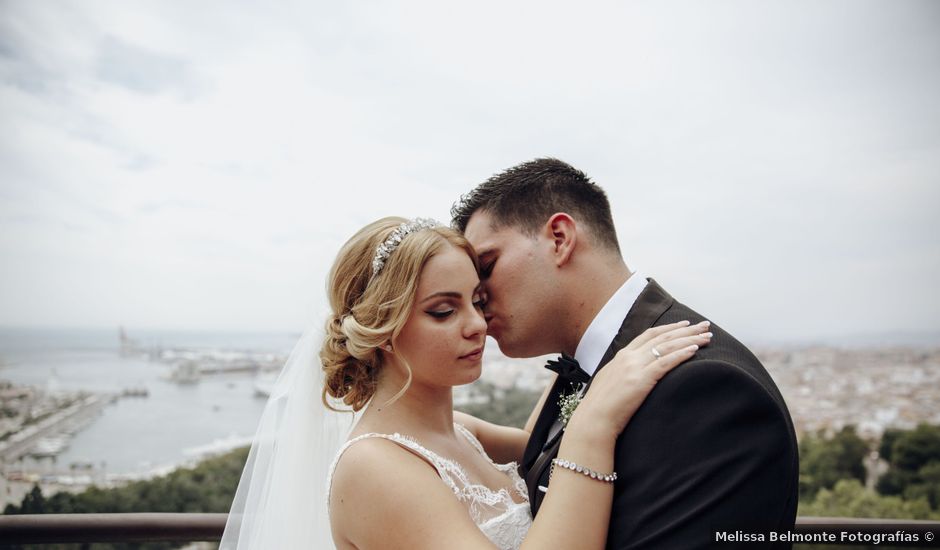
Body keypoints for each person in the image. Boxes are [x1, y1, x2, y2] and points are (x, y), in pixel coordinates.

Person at [220, 215, 711, 550]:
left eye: (477, 300)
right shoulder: (375, 466)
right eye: (443, 310)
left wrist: (590, 347)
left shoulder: (462, 431)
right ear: (382, 330)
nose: (477, 323)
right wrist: (593, 425)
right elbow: (577, 443)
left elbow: (544, 444)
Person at [450, 158, 800, 549]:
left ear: (560, 239)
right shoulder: (585, 367)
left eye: (487, 265)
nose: (477, 299)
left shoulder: (705, 388)